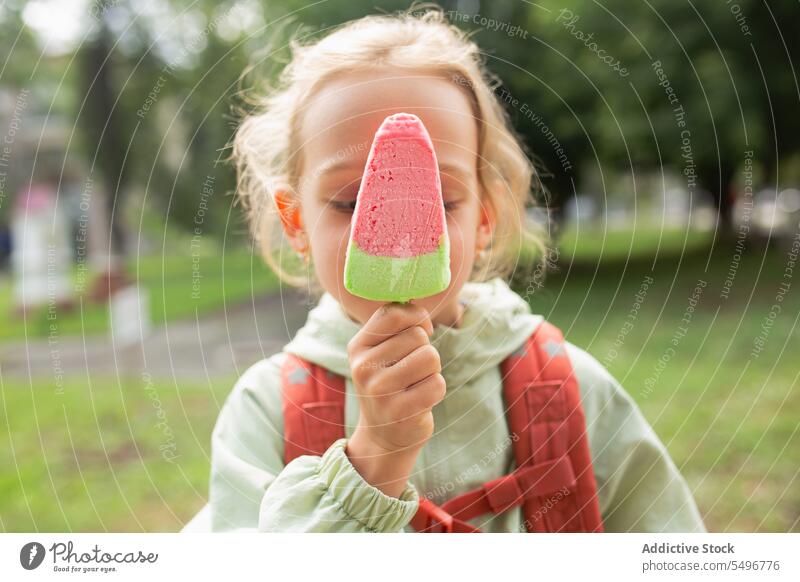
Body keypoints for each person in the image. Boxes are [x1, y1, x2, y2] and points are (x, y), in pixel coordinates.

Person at [183, 8, 705, 533]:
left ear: (483, 218)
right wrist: (372, 463)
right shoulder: (266, 413)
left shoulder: (574, 390)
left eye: (439, 198)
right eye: (347, 200)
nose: (391, 223)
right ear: (295, 224)